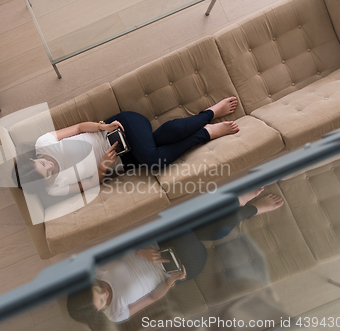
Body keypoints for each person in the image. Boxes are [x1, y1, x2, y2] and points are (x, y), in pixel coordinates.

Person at [66, 189, 284, 328]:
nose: (105, 294)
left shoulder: (95, 269)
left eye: (97, 291)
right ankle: (242, 203)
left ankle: (249, 208)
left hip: (159, 242)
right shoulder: (115, 314)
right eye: (102, 301)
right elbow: (151, 299)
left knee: (205, 230)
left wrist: (140, 252)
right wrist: (170, 283)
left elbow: (122, 243)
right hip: (176, 268)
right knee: (199, 230)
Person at [17, 97, 240, 196]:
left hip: (119, 128)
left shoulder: (43, 143)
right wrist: (104, 167)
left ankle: (208, 123)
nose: (51, 167)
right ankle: (207, 122)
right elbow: (90, 183)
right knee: (158, 145)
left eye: (43, 163)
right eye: (47, 174)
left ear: (34, 157)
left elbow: (77, 128)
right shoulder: (54, 188)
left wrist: (102, 126)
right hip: (123, 160)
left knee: (155, 161)